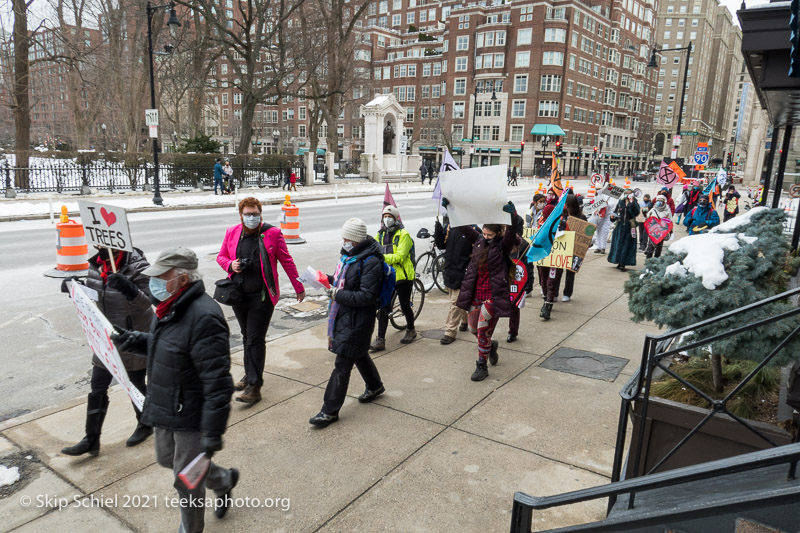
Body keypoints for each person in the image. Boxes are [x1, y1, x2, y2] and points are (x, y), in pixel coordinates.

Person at [111, 247, 239, 533]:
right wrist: (133, 340)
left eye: (161, 277)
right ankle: (223, 479)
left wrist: (212, 431)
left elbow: (218, 383)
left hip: (191, 415)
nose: (154, 282)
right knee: (166, 459)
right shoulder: (168, 305)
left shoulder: (205, 317)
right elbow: (166, 345)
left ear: (182, 279)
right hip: (166, 405)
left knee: (187, 481)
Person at [60, 247, 154, 457]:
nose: (101, 246)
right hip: (104, 334)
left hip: (132, 333)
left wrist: (129, 288)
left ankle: (146, 423)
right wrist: (76, 289)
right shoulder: (95, 265)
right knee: (98, 385)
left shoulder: (138, 266)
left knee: (135, 384)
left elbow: (149, 301)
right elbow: (95, 297)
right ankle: (91, 439)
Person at [217, 197, 306, 404]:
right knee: (247, 336)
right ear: (241, 215)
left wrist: (298, 286)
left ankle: (254, 387)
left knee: (256, 339)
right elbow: (221, 257)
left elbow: (287, 261)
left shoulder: (272, 233)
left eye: (255, 214)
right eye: (247, 214)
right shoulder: (232, 232)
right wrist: (231, 265)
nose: (251, 218)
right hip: (239, 294)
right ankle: (249, 375)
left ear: (260, 213)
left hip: (262, 295)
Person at [309, 218, 386, 428]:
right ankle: (375, 386)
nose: (344, 242)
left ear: (357, 240)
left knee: (342, 363)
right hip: (347, 315)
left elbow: (366, 296)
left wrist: (337, 294)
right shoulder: (349, 257)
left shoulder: (371, 261)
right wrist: (326, 280)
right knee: (359, 354)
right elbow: (344, 281)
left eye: (347, 239)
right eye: (343, 238)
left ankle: (329, 411)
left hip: (359, 319)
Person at [447, 198, 518, 381]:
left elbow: (511, 231)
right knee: (473, 329)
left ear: (496, 233)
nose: (485, 237)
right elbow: (463, 226)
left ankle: (481, 366)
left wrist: (512, 213)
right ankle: (491, 346)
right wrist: (451, 209)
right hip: (475, 294)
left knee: (482, 330)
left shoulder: (503, 246)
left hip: (493, 295)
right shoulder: (478, 240)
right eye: (484, 233)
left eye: (489, 235)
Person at [370, 205, 417, 351]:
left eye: (389, 217)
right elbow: (373, 248)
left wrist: (380, 257)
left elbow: (400, 256)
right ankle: (380, 340)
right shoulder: (380, 234)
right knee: (384, 307)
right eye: (385, 217)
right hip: (387, 275)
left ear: (396, 219)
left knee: (404, 305)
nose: (387, 219)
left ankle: (411, 329)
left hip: (402, 276)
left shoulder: (404, 235)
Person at [434, 214, 472, 345]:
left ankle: (450, 331)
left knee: (455, 304)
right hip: (450, 270)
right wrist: (438, 230)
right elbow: (441, 245)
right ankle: (465, 320)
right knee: (455, 301)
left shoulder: (472, 230)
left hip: (462, 272)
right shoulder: (451, 228)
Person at [537, 189, 564, 319]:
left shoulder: (562, 224)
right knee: (545, 279)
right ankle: (546, 298)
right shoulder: (540, 225)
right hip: (544, 257)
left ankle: (547, 304)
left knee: (550, 280)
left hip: (554, 259)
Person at [607, 189, 641, 271]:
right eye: (626, 193)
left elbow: (636, 213)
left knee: (627, 245)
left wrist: (631, 203)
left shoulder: (635, 203)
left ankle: (623, 263)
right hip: (620, 226)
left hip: (629, 226)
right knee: (618, 244)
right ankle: (618, 261)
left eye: (629, 194)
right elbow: (616, 212)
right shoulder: (620, 202)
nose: (627, 195)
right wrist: (612, 217)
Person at [561, 194, 586, 302]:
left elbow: (585, 233)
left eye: (565, 203)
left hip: (574, 248)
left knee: (570, 272)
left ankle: (567, 293)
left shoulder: (581, 217)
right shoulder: (561, 216)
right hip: (562, 247)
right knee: (557, 271)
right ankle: (554, 292)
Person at [644, 194, 672, 259]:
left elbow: (669, 220)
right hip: (653, 230)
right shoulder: (653, 210)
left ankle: (656, 259)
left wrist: (661, 221)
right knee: (651, 245)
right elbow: (648, 217)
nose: (659, 202)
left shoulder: (667, 210)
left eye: (661, 201)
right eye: (658, 201)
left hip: (661, 231)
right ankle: (648, 260)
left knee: (659, 246)